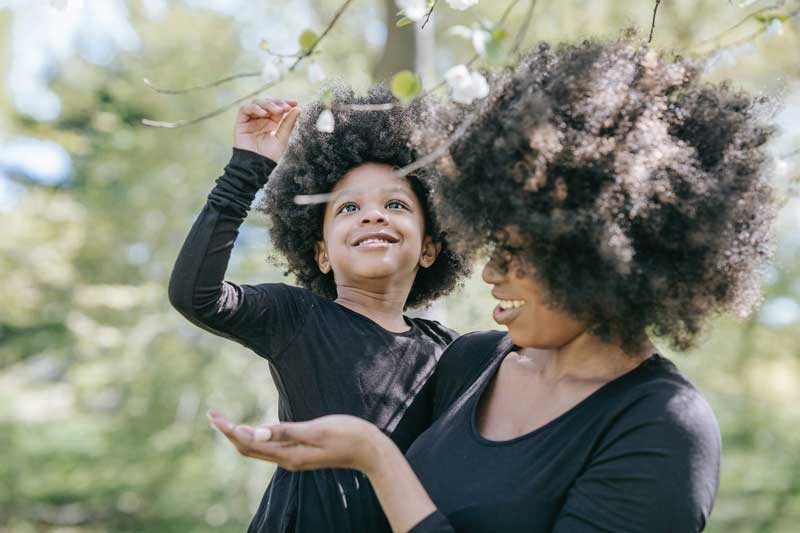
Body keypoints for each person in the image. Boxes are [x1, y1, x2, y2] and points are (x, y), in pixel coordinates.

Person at [209, 38, 776, 532]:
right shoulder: (470, 361)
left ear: (603, 255)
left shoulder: (662, 429)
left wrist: (377, 459)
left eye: (516, 253)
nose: (489, 273)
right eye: (492, 245)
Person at [170, 84, 470, 532]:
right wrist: (246, 171)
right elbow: (197, 295)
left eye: (395, 204)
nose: (373, 216)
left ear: (430, 248)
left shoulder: (452, 352)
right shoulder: (297, 318)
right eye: (348, 207)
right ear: (321, 254)